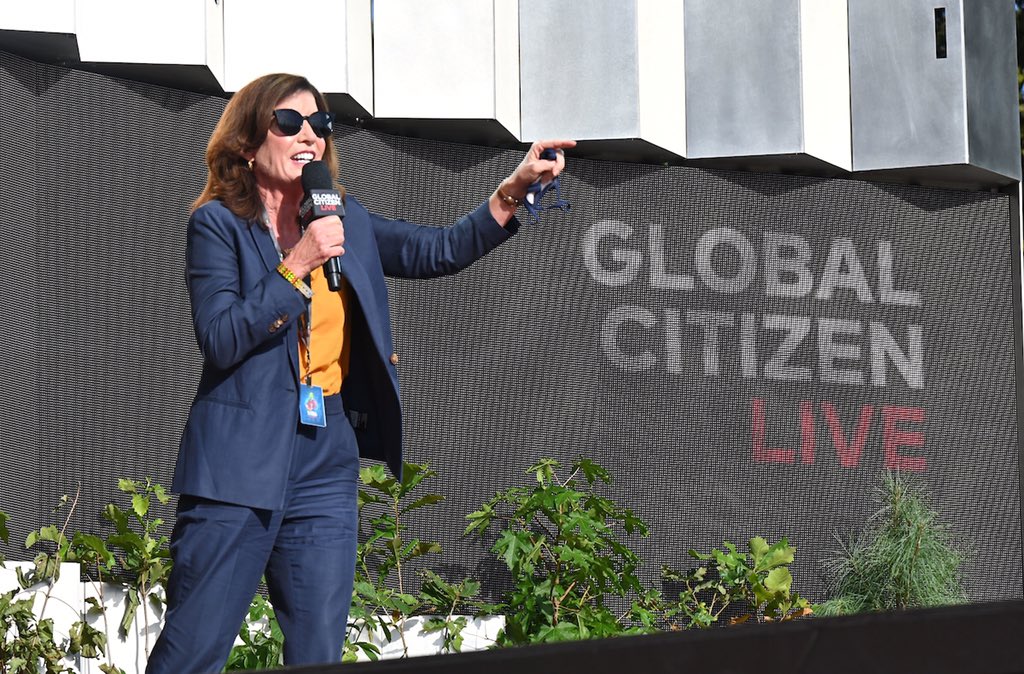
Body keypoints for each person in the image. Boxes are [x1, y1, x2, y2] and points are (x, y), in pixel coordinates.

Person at [145, 72, 574, 673]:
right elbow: (220, 338)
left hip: (325, 460)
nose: (309, 136)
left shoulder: (346, 220)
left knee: (319, 654)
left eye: (319, 125)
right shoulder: (218, 225)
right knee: (193, 652)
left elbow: (440, 249)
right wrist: (297, 263)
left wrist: (512, 190)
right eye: (288, 123)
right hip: (238, 467)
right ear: (247, 143)